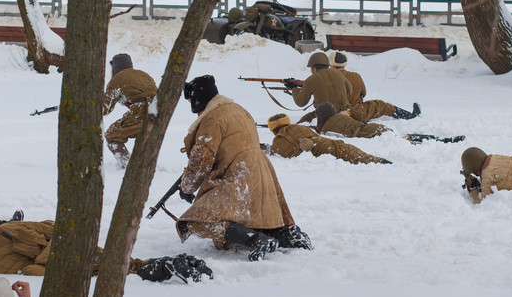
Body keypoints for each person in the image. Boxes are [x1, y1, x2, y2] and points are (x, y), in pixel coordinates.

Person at [176, 74, 312, 261]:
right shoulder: (238, 109)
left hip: (238, 175)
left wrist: (186, 188)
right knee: (255, 213)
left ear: (198, 99)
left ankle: (255, 239)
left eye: (191, 99)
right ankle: (282, 233)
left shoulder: (212, 121)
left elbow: (200, 163)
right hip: (262, 172)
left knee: (195, 221)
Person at [0, 218, 213, 283]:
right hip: (70, 248)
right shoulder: (6, 229)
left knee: (120, 267)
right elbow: (51, 226)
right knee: (120, 264)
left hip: (63, 258)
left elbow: (30, 271)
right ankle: (165, 265)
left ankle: (160, 267)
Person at [266, 113, 391, 165]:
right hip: (330, 144)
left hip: (321, 152)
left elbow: (280, 154)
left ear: (273, 131)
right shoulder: (300, 127)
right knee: (357, 155)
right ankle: (380, 161)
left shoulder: (278, 142)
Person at [314, 102, 464, 144]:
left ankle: (441, 141)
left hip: (370, 131)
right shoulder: (340, 117)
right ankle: (441, 140)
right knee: (405, 139)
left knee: (406, 141)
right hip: (371, 128)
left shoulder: (328, 127)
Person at [330, 51, 420, 120]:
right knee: (382, 105)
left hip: (336, 114)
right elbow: (363, 93)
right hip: (357, 111)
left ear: (332, 66)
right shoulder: (355, 76)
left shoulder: (327, 79)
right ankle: (409, 116)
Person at [103, 53, 158, 167]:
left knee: (112, 135)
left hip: (140, 109)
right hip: (157, 108)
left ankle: (128, 165)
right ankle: (144, 164)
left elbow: (104, 109)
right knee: (143, 133)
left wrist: (89, 104)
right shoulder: (143, 75)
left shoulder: (117, 79)